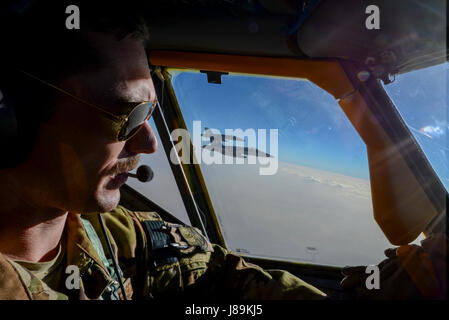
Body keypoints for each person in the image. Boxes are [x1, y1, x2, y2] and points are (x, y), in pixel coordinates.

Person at [0, 1, 326, 300]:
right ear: (11, 118)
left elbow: (225, 275)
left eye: (150, 112)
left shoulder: (120, 238)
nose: (150, 143)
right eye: (128, 114)